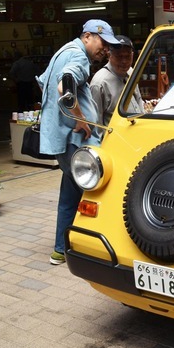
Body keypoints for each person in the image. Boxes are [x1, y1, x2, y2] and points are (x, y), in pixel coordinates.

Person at [37, 19, 119, 265]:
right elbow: (66, 86)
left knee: (69, 193)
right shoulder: (79, 56)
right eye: (103, 43)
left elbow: (44, 82)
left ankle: (60, 249)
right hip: (76, 140)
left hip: (61, 138)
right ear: (87, 36)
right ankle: (96, 248)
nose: (105, 49)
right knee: (98, 190)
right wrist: (81, 119)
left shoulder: (61, 52)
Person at [90, 35, 145, 127]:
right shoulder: (99, 82)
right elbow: (96, 123)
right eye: (119, 56)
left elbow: (138, 100)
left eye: (127, 56)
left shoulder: (131, 72)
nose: (124, 61)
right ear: (109, 55)